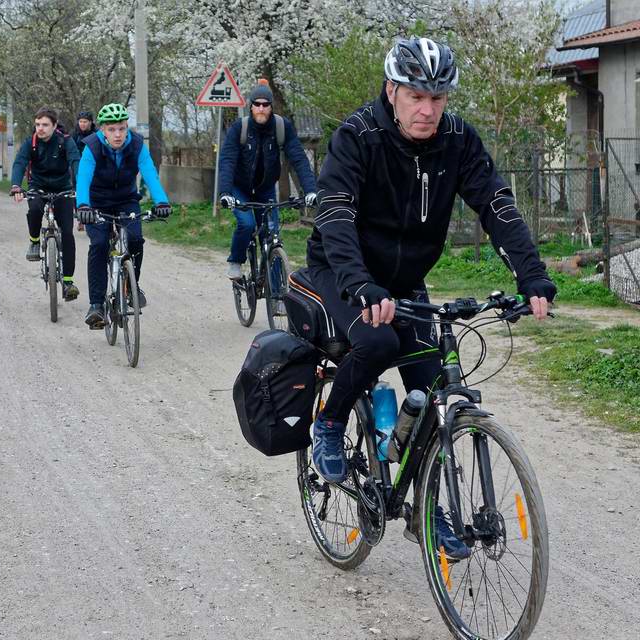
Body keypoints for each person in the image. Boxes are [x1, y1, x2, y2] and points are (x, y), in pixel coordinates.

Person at [306, 36, 556, 559]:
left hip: (404, 283)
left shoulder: (458, 140)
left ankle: (426, 511)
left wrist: (531, 274)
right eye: (417, 96)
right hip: (341, 274)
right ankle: (329, 423)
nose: (428, 109)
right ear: (393, 90)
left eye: (438, 99)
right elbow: (334, 214)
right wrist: (359, 283)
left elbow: (496, 204)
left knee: (437, 391)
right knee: (375, 345)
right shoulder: (358, 136)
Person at [76, 103, 172, 328]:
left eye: (121, 128)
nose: (117, 134)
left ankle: (130, 286)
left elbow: (150, 173)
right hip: (96, 203)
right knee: (99, 244)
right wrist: (83, 206)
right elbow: (83, 178)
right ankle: (96, 305)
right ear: (102, 130)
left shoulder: (137, 145)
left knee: (136, 239)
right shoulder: (92, 147)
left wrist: (161, 201)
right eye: (112, 129)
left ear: (127, 127)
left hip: (126, 200)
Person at [218, 79, 317, 279]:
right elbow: (227, 160)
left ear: (271, 107)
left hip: (265, 189)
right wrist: (225, 193)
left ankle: (277, 293)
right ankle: (236, 261)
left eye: (265, 105)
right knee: (246, 224)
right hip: (240, 189)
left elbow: (298, 158)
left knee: (272, 236)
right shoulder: (240, 128)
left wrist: (311, 190)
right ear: (251, 106)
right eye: (257, 104)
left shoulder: (282, 127)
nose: (261, 108)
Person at [10, 107, 82, 301]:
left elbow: (76, 161)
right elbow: (20, 163)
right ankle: (34, 241)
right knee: (34, 208)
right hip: (38, 185)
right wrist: (16, 185)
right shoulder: (30, 143)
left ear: (54, 126)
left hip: (63, 188)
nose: (40, 128)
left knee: (67, 232)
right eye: (37, 124)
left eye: (45, 125)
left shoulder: (66, 141)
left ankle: (68, 282)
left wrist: (82, 185)